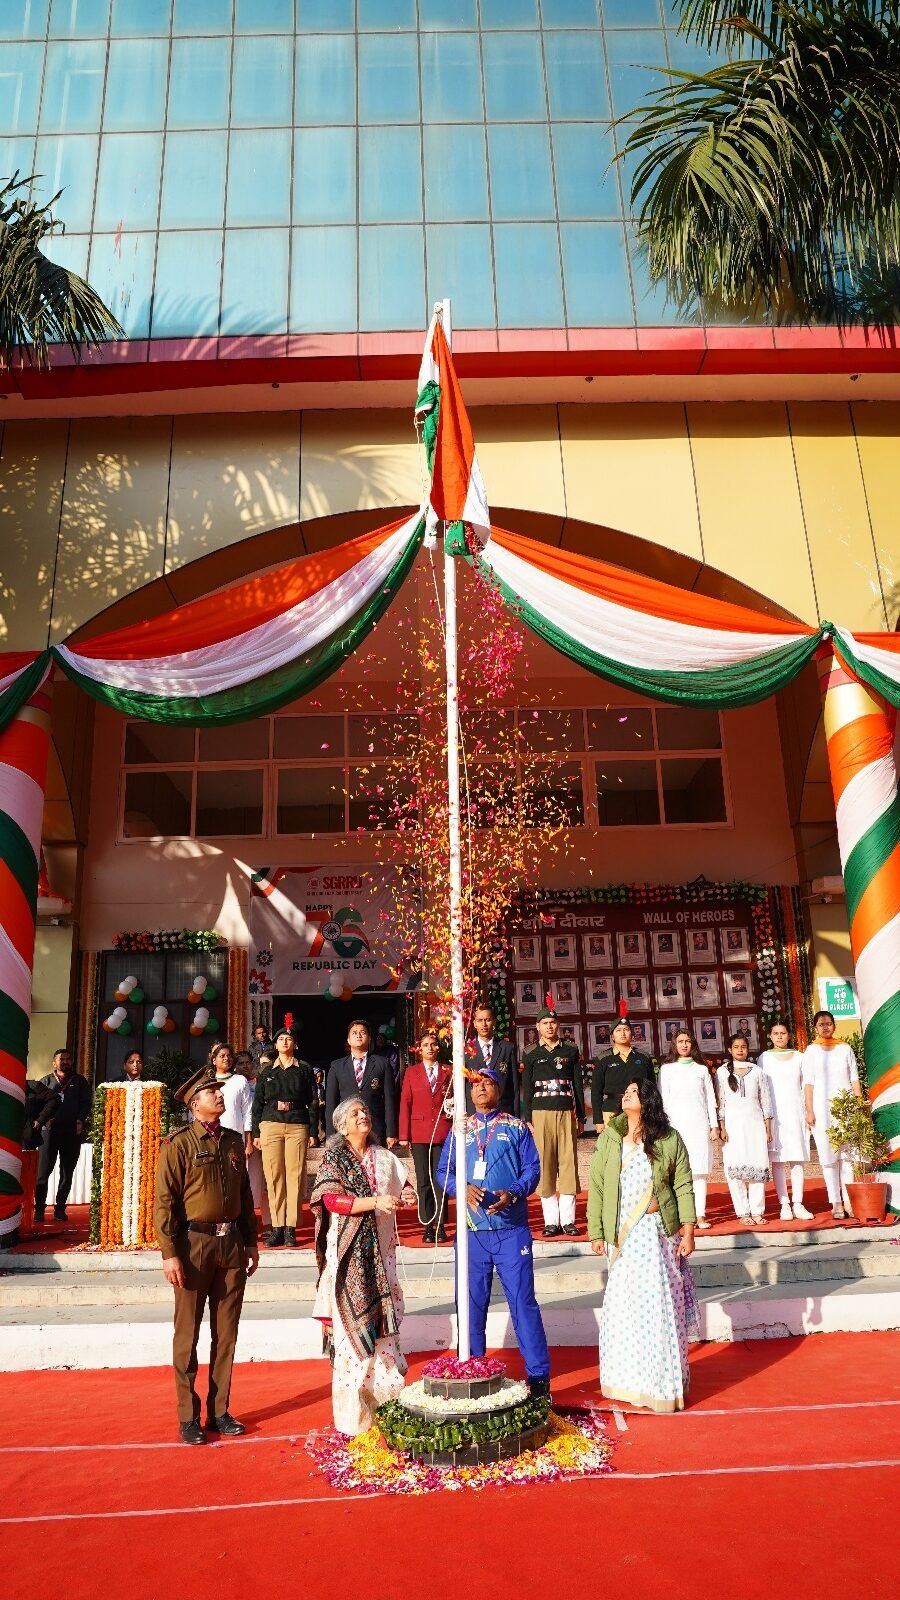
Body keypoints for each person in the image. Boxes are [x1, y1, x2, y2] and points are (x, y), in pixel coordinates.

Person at [153, 1065, 259, 1445]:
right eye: (212, 1091)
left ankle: (219, 1411)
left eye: (219, 1090)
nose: (219, 1094)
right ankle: (188, 1416)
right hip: (193, 1246)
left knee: (226, 1333)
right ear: (195, 1104)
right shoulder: (178, 1144)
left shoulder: (232, 1141)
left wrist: (251, 1241)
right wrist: (169, 1253)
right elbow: (164, 1202)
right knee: (188, 1334)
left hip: (231, 1245)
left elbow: (245, 1194)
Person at [437, 1064, 551, 1398]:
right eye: (476, 1084)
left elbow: (533, 1169)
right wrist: (461, 1188)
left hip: (511, 1230)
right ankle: (473, 1370)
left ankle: (539, 1377)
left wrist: (513, 1192)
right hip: (471, 1233)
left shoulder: (516, 1127)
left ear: (499, 1090)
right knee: (470, 1305)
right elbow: (443, 1171)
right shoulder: (461, 1130)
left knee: (523, 1302)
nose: (482, 1088)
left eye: (489, 1083)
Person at [588, 1078, 696, 1413]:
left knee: (659, 1308)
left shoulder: (668, 1138)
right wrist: (596, 1233)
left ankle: (662, 1386)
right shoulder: (610, 1137)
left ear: (648, 1100)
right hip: (622, 1237)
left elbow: (683, 1184)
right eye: (626, 1091)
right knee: (625, 1308)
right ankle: (629, 1382)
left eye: (634, 1092)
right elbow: (597, 1185)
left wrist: (689, 1231)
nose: (626, 1095)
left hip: (657, 1235)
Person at [311, 1096, 412, 1435]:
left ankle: (389, 1411)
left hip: (382, 1253)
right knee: (351, 1337)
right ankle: (355, 1420)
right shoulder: (334, 1158)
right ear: (341, 1126)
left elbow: (404, 1187)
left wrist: (408, 1196)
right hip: (347, 1254)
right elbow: (330, 1200)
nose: (362, 1115)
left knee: (385, 1333)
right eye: (355, 1113)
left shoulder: (385, 1157)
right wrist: (374, 1202)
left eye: (365, 1110)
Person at [252, 1028, 318, 1247]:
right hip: (270, 1124)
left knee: (295, 1176)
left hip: (297, 1124)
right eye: (280, 1039)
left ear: (295, 1044)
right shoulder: (266, 1070)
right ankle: (277, 1227)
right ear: (275, 1044)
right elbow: (258, 1103)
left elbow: (313, 1101)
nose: (285, 1042)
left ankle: (291, 1228)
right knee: (273, 1176)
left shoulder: (304, 1069)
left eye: (289, 1039)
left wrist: (313, 1131)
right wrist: (256, 1132)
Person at [521, 1007, 584, 1237]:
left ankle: (568, 1221)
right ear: (537, 1027)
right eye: (545, 1023)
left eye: (552, 1022)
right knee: (545, 1164)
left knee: (568, 1164)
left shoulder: (570, 1050)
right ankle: (550, 1221)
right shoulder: (530, 1053)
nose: (549, 1026)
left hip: (566, 1111)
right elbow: (527, 1088)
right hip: (541, 1113)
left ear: (558, 1025)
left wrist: (581, 1117)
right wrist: (528, 1118)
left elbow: (577, 1085)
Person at [802, 1011, 862, 1219]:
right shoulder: (811, 1051)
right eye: (821, 1024)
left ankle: (849, 1201)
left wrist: (858, 1104)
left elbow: (854, 1078)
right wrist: (809, 1110)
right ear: (815, 1028)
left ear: (834, 1025)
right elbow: (808, 1083)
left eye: (828, 1023)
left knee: (847, 1157)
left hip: (846, 1109)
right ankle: (835, 1202)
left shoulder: (845, 1048)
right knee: (828, 1158)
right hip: (822, 1110)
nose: (825, 1027)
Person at [658, 1029, 719, 1229]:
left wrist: (714, 1126)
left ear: (693, 1044)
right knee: (676, 1172)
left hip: (699, 1125)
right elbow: (663, 1100)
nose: (684, 1045)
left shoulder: (701, 1070)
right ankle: (681, 1216)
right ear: (674, 1044)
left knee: (699, 1171)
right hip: (675, 1126)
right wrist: (664, 1127)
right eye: (680, 1041)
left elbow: (710, 1099)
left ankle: (700, 1215)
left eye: (687, 1041)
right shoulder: (667, 1069)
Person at [399, 1028, 452, 1243]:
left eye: (433, 1044)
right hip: (419, 1132)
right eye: (425, 1045)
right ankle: (427, 1224)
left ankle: (440, 1224)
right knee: (423, 1180)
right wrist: (404, 1134)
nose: (430, 1048)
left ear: (438, 1047)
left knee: (441, 1179)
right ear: (419, 1049)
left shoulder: (449, 1071)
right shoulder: (412, 1072)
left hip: (443, 1131)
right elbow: (405, 1103)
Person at [716, 1035, 773, 1225]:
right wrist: (722, 1127)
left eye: (743, 1047)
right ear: (729, 1049)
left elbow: (765, 1100)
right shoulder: (722, 1072)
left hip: (755, 1125)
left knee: (758, 1164)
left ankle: (757, 1211)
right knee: (735, 1168)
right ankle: (742, 1212)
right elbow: (721, 1102)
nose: (740, 1050)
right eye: (736, 1047)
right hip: (733, 1126)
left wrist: (768, 1128)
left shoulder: (757, 1071)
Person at [758, 1023, 813, 1220]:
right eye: (776, 1033)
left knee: (797, 1159)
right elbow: (761, 1088)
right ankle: (784, 1204)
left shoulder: (800, 1057)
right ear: (770, 1036)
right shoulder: (764, 1058)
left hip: (796, 1113)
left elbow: (806, 1085)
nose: (779, 1036)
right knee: (778, 1161)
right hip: (774, 1115)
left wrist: (809, 1110)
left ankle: (798, 1203)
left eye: (783, 1033)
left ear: (789, 1035)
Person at [33, 1049, 92, 1225]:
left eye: (68, 1059)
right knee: (43, 1173)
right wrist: (43, 1119)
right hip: (48, 1133)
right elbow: (37, 1104)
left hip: (71, 1132)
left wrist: (80, 1119)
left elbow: (86, 1102)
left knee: (67, 1172)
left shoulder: (80, 1081)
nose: (65, 1062)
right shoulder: (45, 1081)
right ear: (54, 1063)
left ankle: (60, 1209)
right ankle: (39, 1210)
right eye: (61, 1059)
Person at [326, 1020, 399, 1149]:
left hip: (375, 1127)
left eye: (363, 1032)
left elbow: (390, 1100)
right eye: (354, 1033)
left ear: (369, 1038)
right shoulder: (337, 1066)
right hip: (346, 1128)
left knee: (375, 1161)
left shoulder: (383, 1063)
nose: (358, 1035)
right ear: (348, 1040)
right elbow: (331, 1102)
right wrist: (331, 1135)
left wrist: (391, 1132)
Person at [590, 1017, 654, 1129]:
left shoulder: (643, 1057)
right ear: (612, 1036)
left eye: (626, 1029)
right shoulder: (603, 1059)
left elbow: (652, 1089)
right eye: (618, 1030)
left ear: (631, 1034)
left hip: (639, 1110)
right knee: (612, 1140)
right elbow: (596, 1092)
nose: (623, 1033)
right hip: (611, 1111)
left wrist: (652, 1114)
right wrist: (598, 1120)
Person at [465, 1002, 519, 1116]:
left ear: (494, 1022)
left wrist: (516, 1115)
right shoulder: (466, 1050)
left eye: (487, 1020)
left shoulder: (507, 1048)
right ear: (474, 1023)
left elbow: (514, 1086)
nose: (484, 1024)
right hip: (474, 1113)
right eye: (480, 1020)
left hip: (503, 1112)